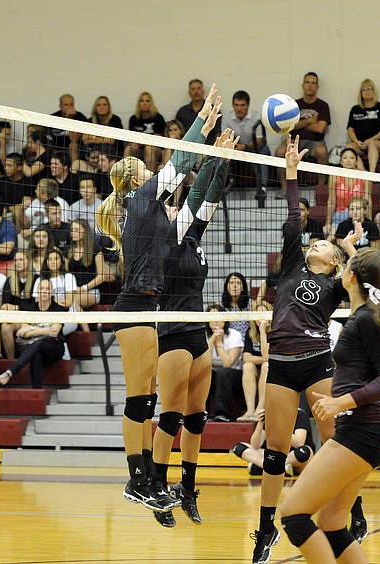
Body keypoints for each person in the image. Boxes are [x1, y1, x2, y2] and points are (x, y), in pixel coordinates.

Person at [96, 83, 221, 515]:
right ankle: (139, 480)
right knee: (141, 401)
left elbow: (192, 181)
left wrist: (214, 153)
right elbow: (182, 161)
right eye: (144, 169)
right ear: (133, 178)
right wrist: (201, 122)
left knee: (144, 400)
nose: (152, 172)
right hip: (133, 308)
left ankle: (147, 480)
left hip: (148, 308)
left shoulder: (148, 208)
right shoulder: (140, 197)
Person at [279, 247, 380, 563]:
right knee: (332, 524)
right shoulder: (363, 315)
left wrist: (340, 402)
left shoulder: (365, 319)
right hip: (363, 432)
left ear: (348, 277)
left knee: (294, 516)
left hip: (361, 433)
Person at [250, 135, 362, 564]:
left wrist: (350, 252)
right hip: (280, 364)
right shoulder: (294, 265)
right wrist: (292, 173)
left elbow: (362, 285)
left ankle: (354, 512)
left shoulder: (336, 285)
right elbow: (294, 222)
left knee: (338, 441)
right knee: (276, 451)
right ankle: (264, 531)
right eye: (314, 242)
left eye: (324, 245)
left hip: (316, 362)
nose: (315, 243)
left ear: (333, 261)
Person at [151, 134, 236, 527]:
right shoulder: (165, 241)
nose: (174, 211)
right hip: (171, 333)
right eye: (169, 208)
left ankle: (187, 489)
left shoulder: (193, 237)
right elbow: (196, 194)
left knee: (196, 418)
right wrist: (210, 156)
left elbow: (211, 196)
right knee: (169, 416)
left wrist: (225, 160)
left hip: (196, 333)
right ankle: (155, 488)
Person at [0, 277, 67, 389]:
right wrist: (43, 330)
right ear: (37, 291)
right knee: (36, 354)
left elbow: (54, 332)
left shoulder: (59, 309)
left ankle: (11, 371)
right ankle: (37, 390)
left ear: (52, 292)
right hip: (36, 347)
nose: (44, 291)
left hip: (54, 347)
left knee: (39, 344)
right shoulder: (31, 308)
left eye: (47, 288)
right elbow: (23, 333)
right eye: (42, 288)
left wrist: (32, 329)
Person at [275, 72, 331, 188]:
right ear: (302, 85)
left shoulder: (323, 105)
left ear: (317, 87)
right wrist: (310, 121)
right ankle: (284, 189)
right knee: (280, 151)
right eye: (307, 82)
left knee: (322, 152)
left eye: (313, 83)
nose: (310, 85)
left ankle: (320, 189)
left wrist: (299, 123)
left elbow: (320, 129)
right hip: (293, 141)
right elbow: (289, 126)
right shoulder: (293, 105)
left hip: (315, 142)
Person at [232, 407, 315, 476]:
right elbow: (255, 446)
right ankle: (272, 467)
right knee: (239, 447)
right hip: (274, 456)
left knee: (304, 451)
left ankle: (264, 468)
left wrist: (279, 427)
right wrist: (260, 423)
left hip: (293, 458)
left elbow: (299, 443)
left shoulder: (299, 414)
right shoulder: (271, 415)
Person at [224, 90, 270, 201]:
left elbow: (260, 139)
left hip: (253, 149)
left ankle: (262, 189)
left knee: (265, 150)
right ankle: (221, 188)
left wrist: (244, 147)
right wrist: (235, 147)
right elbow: (224, 137)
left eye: (242, 105)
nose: (239, 108)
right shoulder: (226, 118)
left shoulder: (257, 116)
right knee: (220, 154)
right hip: (234, 150)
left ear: (248, 105)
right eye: (236, 105)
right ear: (233, 105)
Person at [345, 78, 380, 173]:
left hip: (378, 143)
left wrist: (370, 140)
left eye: (370, 88)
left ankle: (372, 173)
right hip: (360, 144)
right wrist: (356, 141)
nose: (367, 91)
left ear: (374, 91)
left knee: (372, 144)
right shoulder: (355, 109)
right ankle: (363, 172)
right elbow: (350, 129)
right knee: (349, 147)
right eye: (364, 89)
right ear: (360, 92)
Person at [208, 304, 245, 423]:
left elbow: (227, 363)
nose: (216, 321)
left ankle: (222, 414)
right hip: (214, 375)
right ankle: (201, 412)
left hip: (234, 376)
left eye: (219, 316)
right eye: (212, 317)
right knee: (203, 373)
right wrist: (212, 340)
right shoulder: (205, 336)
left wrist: (218, 343)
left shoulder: (235, 335)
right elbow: (203, 362)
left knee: (222, 372)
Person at [0, 250, 37, 359]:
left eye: (21, 260)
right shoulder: (10, 280)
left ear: (28, 262)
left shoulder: (36, 279)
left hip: (33, 317)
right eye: (16, 260)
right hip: (15, 318)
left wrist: (17, 307)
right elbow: (5, 304)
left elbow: (35, 306)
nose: (18, 262)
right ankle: (11, 360)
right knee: (5, 327)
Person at [325, 147, 371, 235]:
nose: (348, 161)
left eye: (352, 158)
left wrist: (369, 222)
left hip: (358, 214)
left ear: (357, 161)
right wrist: (328, 223)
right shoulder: (334, 176)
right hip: (340, 214)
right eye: (345, 158)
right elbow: (331, 200)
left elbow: (367, 200)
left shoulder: (365, 175)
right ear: (341, 161)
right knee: (332, 233)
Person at [241, 300, 272, 421]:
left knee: (266, 365)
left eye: (264, 314)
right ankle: (250, 410)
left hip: (273, 370)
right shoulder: (250, 332)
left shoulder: (276, 331)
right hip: (257, 367)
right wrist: (262, 359)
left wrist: (263, 331)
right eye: (258, 315)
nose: (261, 318)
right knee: (247, 366)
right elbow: (246, 357)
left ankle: (260, 409)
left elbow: (267, 356)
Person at [127, 91, 166, 172]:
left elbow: (158, 138)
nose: (144, 103)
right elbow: (131, 138)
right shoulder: (133, 119)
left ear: (151, 103)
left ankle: (149, 179)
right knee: (129, 148)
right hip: (139, 149)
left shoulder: (158, 118)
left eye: (147, 101)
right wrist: (134, 144)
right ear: (139, 103)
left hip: (156, 149)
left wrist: (140, 142)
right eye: (142, 101)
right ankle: (127, 177)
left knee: (149, 148)